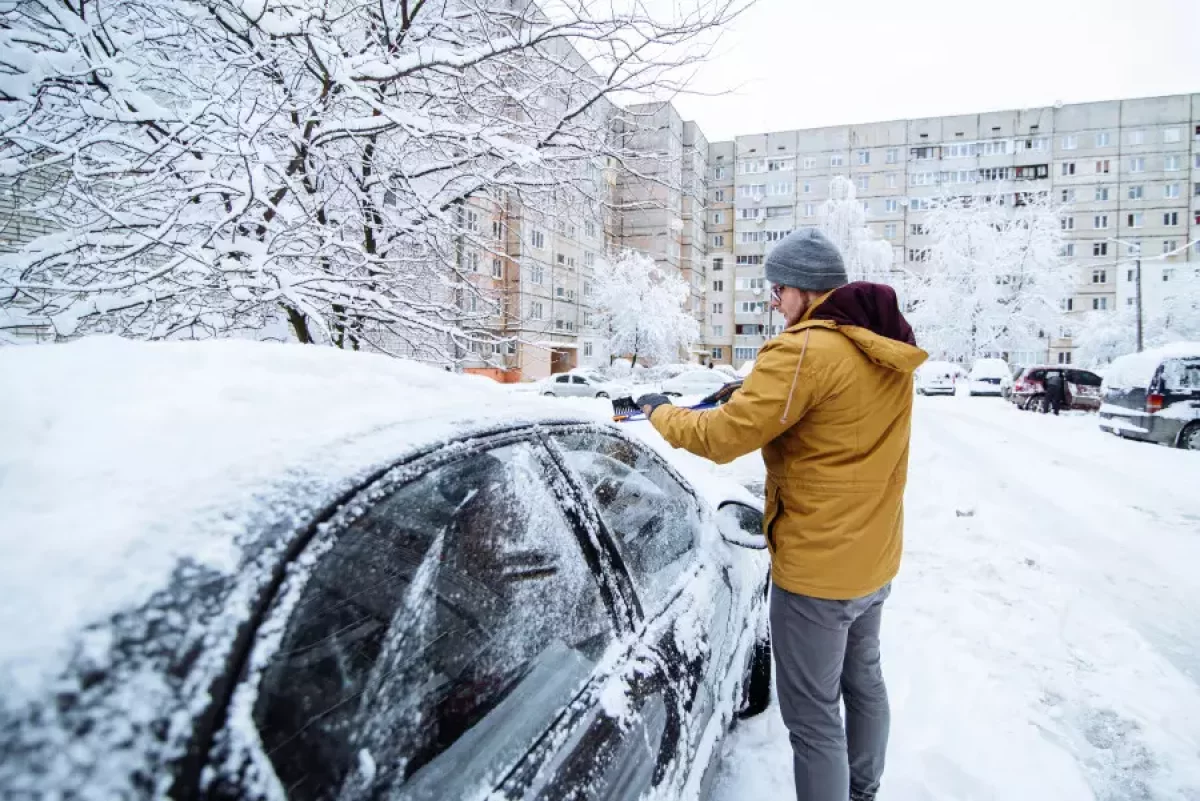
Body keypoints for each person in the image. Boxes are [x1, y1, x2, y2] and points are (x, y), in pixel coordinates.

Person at [635, 229, 927, 801]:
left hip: (817, 572)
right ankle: (863, 792)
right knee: (864, 682)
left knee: (814, 717)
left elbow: (721, 439)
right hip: (874, 559)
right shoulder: (881, 346)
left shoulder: (802, 351)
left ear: (804, 291)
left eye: (777, 291)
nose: (775, 304)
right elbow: (836, 417)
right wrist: (752, 392)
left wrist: (661, 413)